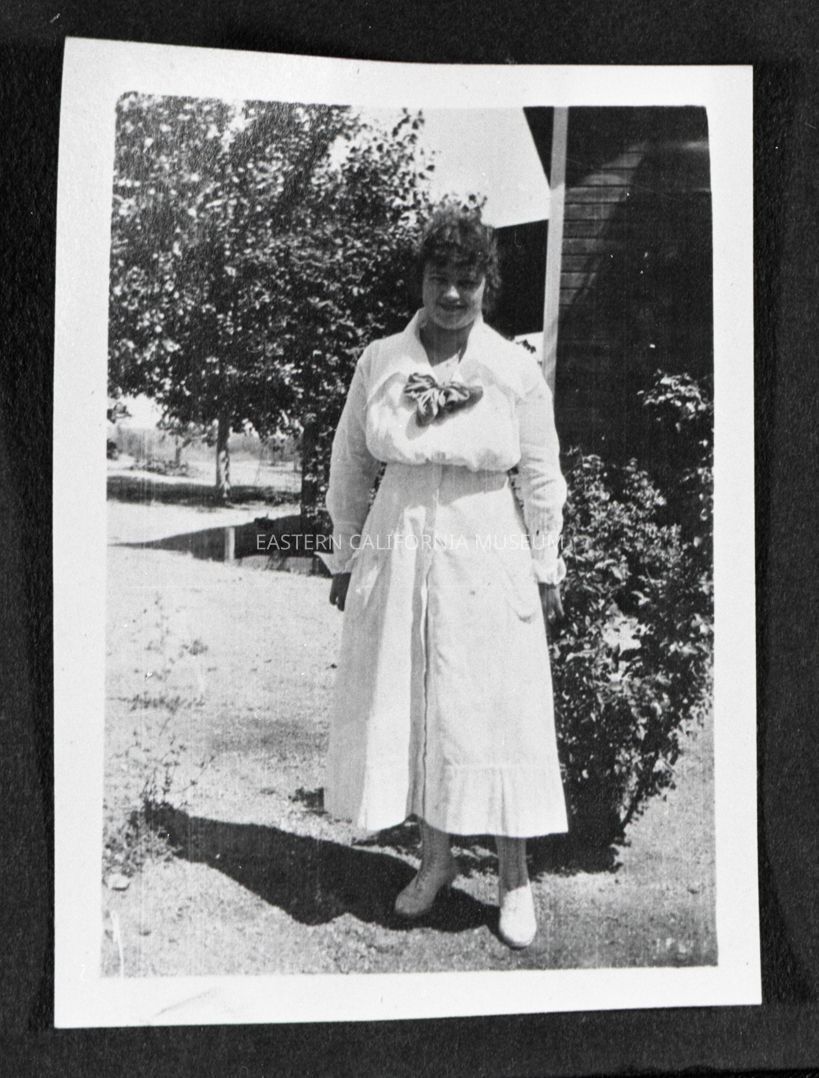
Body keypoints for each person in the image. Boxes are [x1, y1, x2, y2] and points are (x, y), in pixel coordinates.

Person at [322, 204, 568, 949]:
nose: (453, 294)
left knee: (492, 706)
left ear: (487, 284)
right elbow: (349, 464)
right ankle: (435, 862)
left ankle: (514, 879)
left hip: (484, 540)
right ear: (421, 280)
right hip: (398, 538)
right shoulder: (381, 361)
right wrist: (344, 555)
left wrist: (545, 563)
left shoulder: (512, 368)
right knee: (418, 698)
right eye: (439, 277)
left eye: (468, 279)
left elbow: (541, 474)